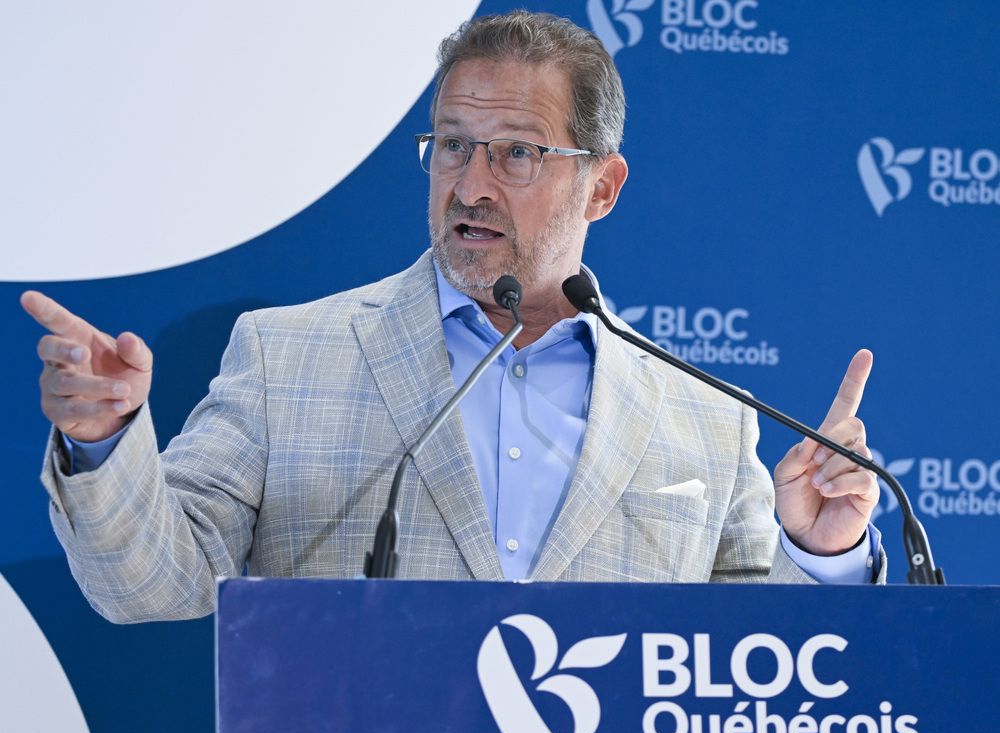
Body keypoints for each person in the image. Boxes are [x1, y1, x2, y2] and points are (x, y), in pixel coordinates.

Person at [20, 12, 883, 624]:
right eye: (453, 145)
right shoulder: (289, 359)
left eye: (516, 153)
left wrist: (822, 556)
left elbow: (750, 665)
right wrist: (106, 443)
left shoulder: (706, 416)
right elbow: (151, 587)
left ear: (604, 187)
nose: (470, 185)